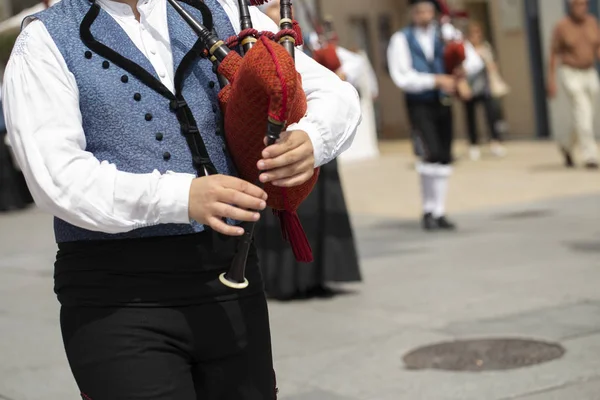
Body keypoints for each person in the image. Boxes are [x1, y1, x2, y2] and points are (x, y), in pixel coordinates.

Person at [3, 0, 361, 398]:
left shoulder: (223, 9)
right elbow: (55, 175)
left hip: (229, 277)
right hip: (115, 294)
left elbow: (333, 93)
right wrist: (181, 196)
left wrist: (311, 138)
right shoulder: (45, 37)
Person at [256, 1, 362, 300]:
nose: (279, 13)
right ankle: (286, 280)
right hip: (274, 136)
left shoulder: (308, 42)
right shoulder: (255, 40)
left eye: (281, 6)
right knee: (282, 204)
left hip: (314, 137)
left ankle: (321, 274)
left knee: (320, 206)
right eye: (272, 7)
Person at [387, 0, 483, 231]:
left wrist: (460, 74)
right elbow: (402, 76)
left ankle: (439, 210)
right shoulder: (401, 39)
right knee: (430, 153)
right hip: (419, 103)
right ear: (412, 13)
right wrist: (435, 80)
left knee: (444, 154)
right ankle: (428, 209)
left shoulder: (446, 33)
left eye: (428, 10)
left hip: (443, 101)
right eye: (419, 11)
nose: (424, 15)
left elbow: (475, 60)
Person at [548, 0, 600, 169]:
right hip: (571, 72)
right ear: (571, 6)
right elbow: (553, 54)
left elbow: (597, 47)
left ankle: (567, 145)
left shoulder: (592, 22)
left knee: (586, 115)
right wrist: (551, 80)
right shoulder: (562, 26)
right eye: (577, 4)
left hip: (589, 71)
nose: (581, 8)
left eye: (584, 4)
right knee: (582, 110)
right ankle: (590, 155)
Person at [464, 20, 508, 161]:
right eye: (473, 33)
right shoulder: (464, 49)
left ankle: (495, 142)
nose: (476, 36)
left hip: (486, 87)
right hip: (470, 87)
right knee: (471, 117)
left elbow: (492, 66)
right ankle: (473, 144)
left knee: (491, 115)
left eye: (478, 33)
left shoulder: (485, 47)